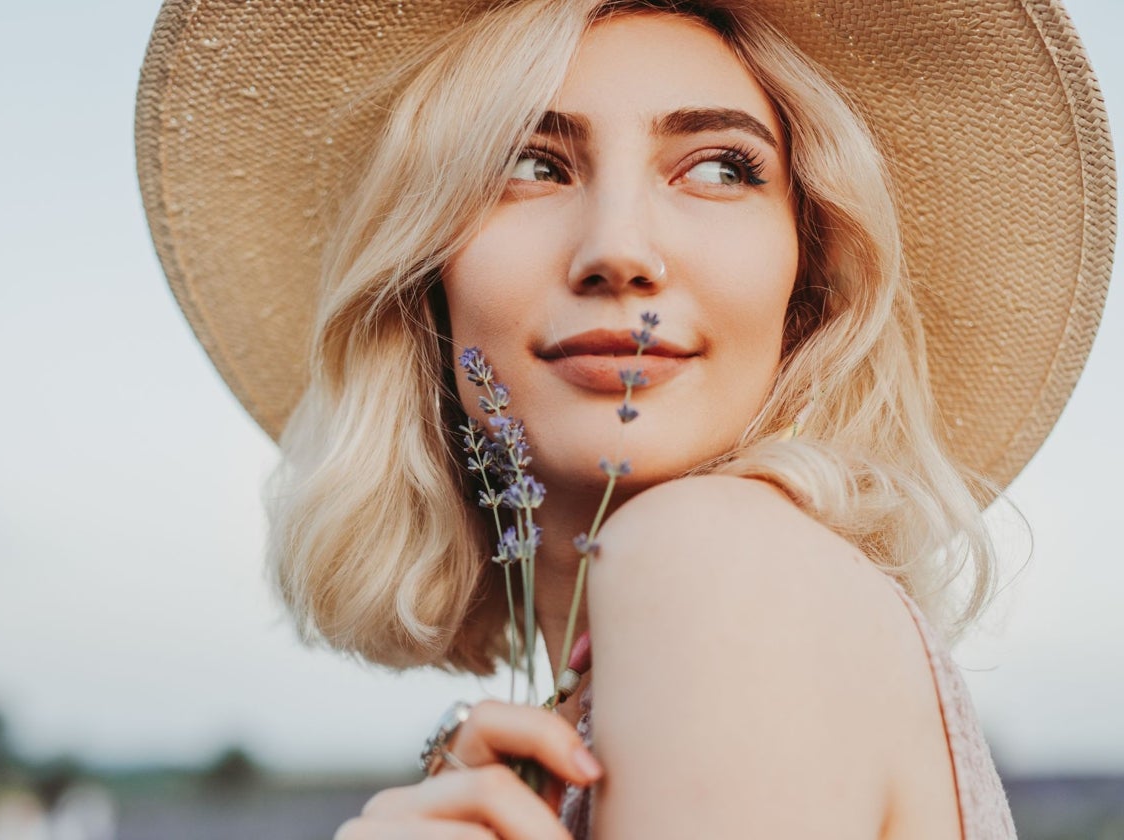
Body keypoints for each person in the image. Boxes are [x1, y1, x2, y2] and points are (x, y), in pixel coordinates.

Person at [135, 0, 1115, 837]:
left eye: (720, 167)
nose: (618, 250)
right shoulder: (660, 651)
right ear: (425, 287)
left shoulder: (716, 559)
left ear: (808, 286)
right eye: (529, 163)